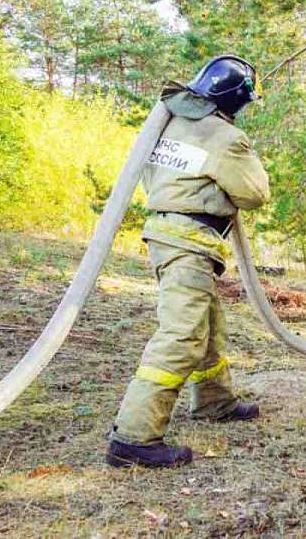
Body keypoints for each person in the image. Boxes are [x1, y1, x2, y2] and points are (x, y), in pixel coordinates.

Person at [107, 55, 270, 468]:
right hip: (190, 240)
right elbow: (254, 193)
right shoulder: (223, 136)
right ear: (237, 100)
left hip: (166, 233)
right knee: (182, 335)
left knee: (208, 325)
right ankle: (134, 438)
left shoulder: (167, 124)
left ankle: (215, 401)